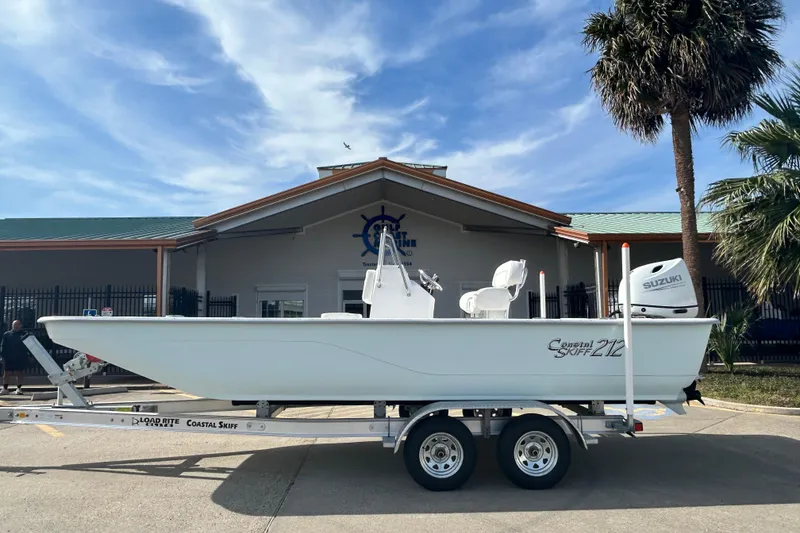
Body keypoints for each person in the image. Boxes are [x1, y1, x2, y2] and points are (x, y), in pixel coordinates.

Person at [0, 320, 29, 395]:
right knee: (6, 373)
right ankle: (5, 389)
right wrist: (2, 355)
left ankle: (19, 389)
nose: (16, 326)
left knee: (20, 373)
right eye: (14, 325)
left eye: (18, 324)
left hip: (20, 357)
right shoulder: (7, 334)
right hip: (8, 357)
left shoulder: (25, 334)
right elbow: (3, 345)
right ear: (12, 325)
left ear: (21, 325)